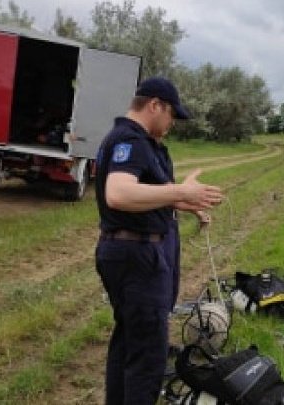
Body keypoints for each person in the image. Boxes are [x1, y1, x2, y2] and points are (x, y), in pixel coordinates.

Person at [95, 77, 223, 405]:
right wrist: (181, 190)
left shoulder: (138, 141)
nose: (172, 124)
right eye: (171, 116)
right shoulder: (131, 139)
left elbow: (147, 196)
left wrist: (188, 202)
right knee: (149, 358)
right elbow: (119, 193)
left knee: (128, 342)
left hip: (129, 252)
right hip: (137, 258)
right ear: (155, 105)